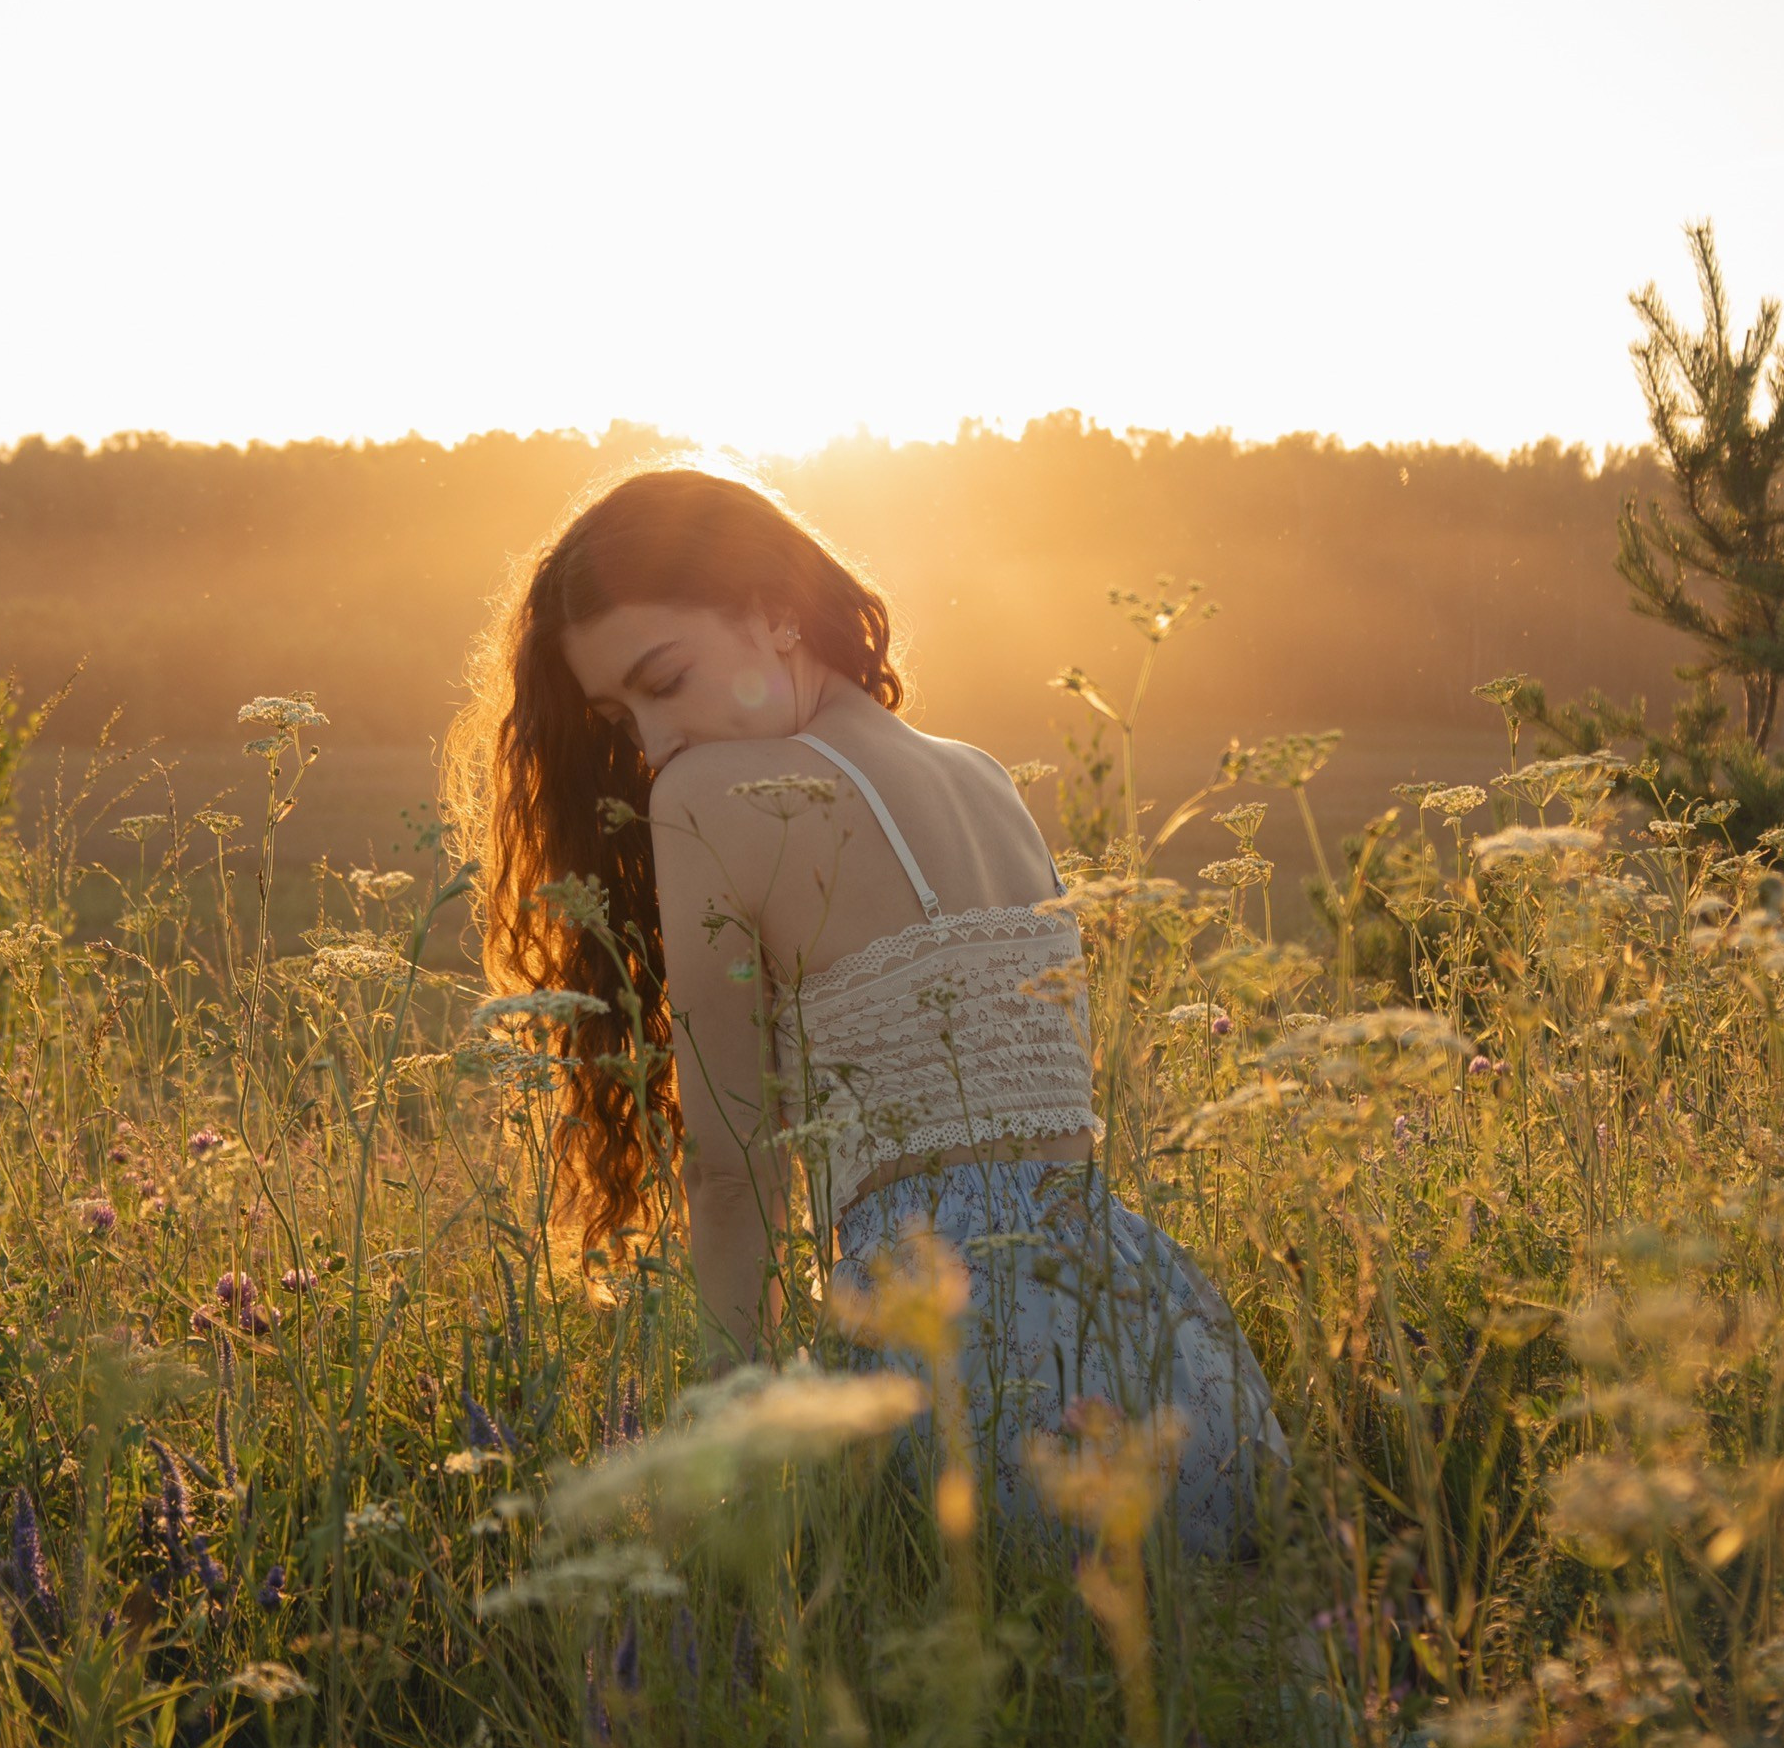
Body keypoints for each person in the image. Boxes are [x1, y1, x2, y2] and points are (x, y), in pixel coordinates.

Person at [446, 464, 1284, 1551]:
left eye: (666, 680)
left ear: (774, 610)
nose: (653, 745)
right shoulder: (985, 777)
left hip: (964, 1353)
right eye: (621, 715)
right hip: (1163, 1340)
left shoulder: (707, 798)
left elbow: (732, 1172)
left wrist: (731, 1465)